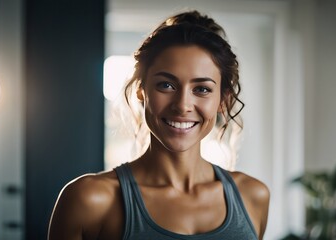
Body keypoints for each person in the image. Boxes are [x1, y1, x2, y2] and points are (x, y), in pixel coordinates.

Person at [48, 10, 270, 240]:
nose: (183, 105)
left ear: (223, 101)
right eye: (166, 85)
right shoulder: (90, 200)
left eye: (202, 89)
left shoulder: (253, 196)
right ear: (141, 91)